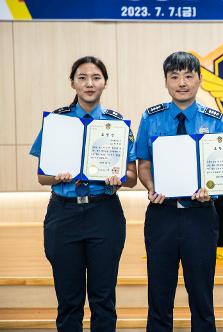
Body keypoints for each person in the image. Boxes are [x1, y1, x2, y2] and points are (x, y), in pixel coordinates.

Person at [30, 56, 138, 331]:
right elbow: (42, 177)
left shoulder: (116, 126)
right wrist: (57, 176)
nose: (89, 83)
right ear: (73, 83)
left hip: (104, 212)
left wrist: (119, 179)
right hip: (63, 213)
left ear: (105, 83)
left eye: (96, 77)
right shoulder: (57, 122)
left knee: (103, 298)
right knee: (69, 300)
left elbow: (133, 177)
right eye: (82, 77)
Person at [136, 51, 223, 332]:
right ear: (165, 82)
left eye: (189, 76)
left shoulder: (216, 120)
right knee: (159, 293)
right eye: (174, 76)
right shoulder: (151, 117)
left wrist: (212, 190)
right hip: (161, 215)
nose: (182, 82)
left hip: (200, 216)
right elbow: (143, 164)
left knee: (201, 295)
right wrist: (152, 187)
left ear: (200, 80)